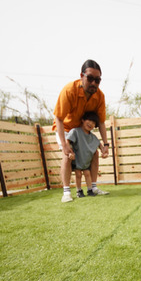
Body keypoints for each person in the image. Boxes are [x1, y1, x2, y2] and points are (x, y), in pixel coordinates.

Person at [53, 59, 110, 203]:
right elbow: (59, 118)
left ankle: (93, 187)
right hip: (65, 128)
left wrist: (106, 144)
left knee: (95, 153)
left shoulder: (100, 96)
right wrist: (64, 144)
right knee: (67, 154)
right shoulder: (69, 90)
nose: (93, 83)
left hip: (82, 130)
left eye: (97, 80)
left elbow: (102, 122)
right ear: (82, 76)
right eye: (90, 78)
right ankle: (66, 192)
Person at [67, 111, 104, 198]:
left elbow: (100, 145)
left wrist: (104, 152)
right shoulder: (75, 131)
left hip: (86, 161)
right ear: (83, 120)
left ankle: (90, 189)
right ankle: (79, 191)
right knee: (78, 174)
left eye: (94, 123)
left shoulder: (93, 137)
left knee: (87, 173)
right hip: (77, 160)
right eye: (89, 120)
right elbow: (67, 142)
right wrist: (70, 152)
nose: (91, 124)